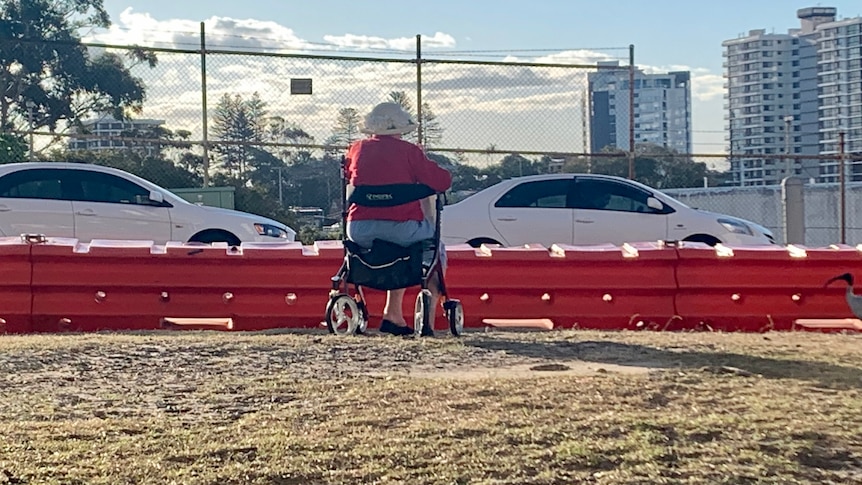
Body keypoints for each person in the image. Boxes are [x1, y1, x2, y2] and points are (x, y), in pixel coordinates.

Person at [345, 102, 452, 336]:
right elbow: (442, 181)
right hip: (402, 229)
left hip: (359, 228)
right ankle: (430, 316)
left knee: (396, 253)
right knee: (434, 250)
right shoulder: (409, 152)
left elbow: (351, 179)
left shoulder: (356, 149)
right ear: (400, 127)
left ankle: (393, 315)